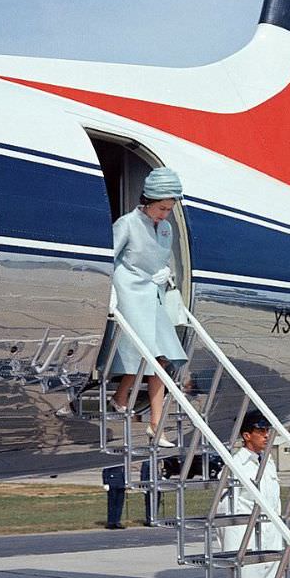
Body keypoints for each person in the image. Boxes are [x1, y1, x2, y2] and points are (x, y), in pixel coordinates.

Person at [108, 167, 187, 448]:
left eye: (169, 209)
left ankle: (156, 425)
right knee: (147, 356)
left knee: (161, 359)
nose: (165, 214)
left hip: (152, 293)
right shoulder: (126, 223)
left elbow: (159, 257)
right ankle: (123, 399)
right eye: (162, 208)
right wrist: (111, 293)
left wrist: (164, 272)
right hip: (129, 292)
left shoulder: (165, 228)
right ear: (148, 201)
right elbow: (110, 258)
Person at [217, 410, 283, 578]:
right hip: (246, 544)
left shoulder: (268, 464)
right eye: (261, 430)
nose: (267, 435)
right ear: (247, 435)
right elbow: (225, 512)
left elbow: (276, 507)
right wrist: (236, 553)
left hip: (272, 542)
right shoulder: (235, 465)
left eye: (268, 430)